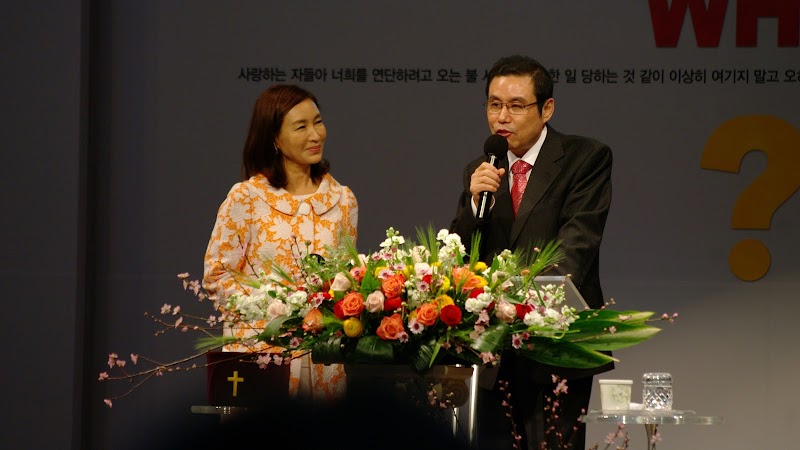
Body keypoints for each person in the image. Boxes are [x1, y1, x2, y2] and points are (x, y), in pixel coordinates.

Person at [449, 55, 614, 450]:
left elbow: (576, 247)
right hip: (493, 352)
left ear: (547, 109)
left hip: (555, 346)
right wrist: (473, 206)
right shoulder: (481, 169)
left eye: (516, 105)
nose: (502, 117)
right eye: (494, 104)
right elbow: (459, 255)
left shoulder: (585, 158)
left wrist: (518, 305)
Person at [203, 84, 358, 402]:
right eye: (301, 127)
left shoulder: (342, 200)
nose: (315, 135)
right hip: (261, 355)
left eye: (318, 122)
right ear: (274, 138)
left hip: (323, 361)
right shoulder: (246, 198)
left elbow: (345, 279)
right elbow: (217, 276)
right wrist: (279, 308)